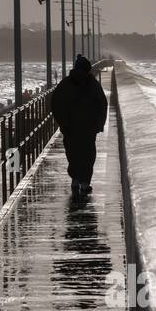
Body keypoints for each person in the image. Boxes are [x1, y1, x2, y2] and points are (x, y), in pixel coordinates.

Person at [50, 53, 107, 200]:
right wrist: (99, 124)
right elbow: (102, 104)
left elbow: (56, 104)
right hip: (81, 128)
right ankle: (81, 181)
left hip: (77, 128)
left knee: (78, 155)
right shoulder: (89, 84)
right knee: (83, 155)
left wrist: (63, 123)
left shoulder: (67, 84)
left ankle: (79, 180)